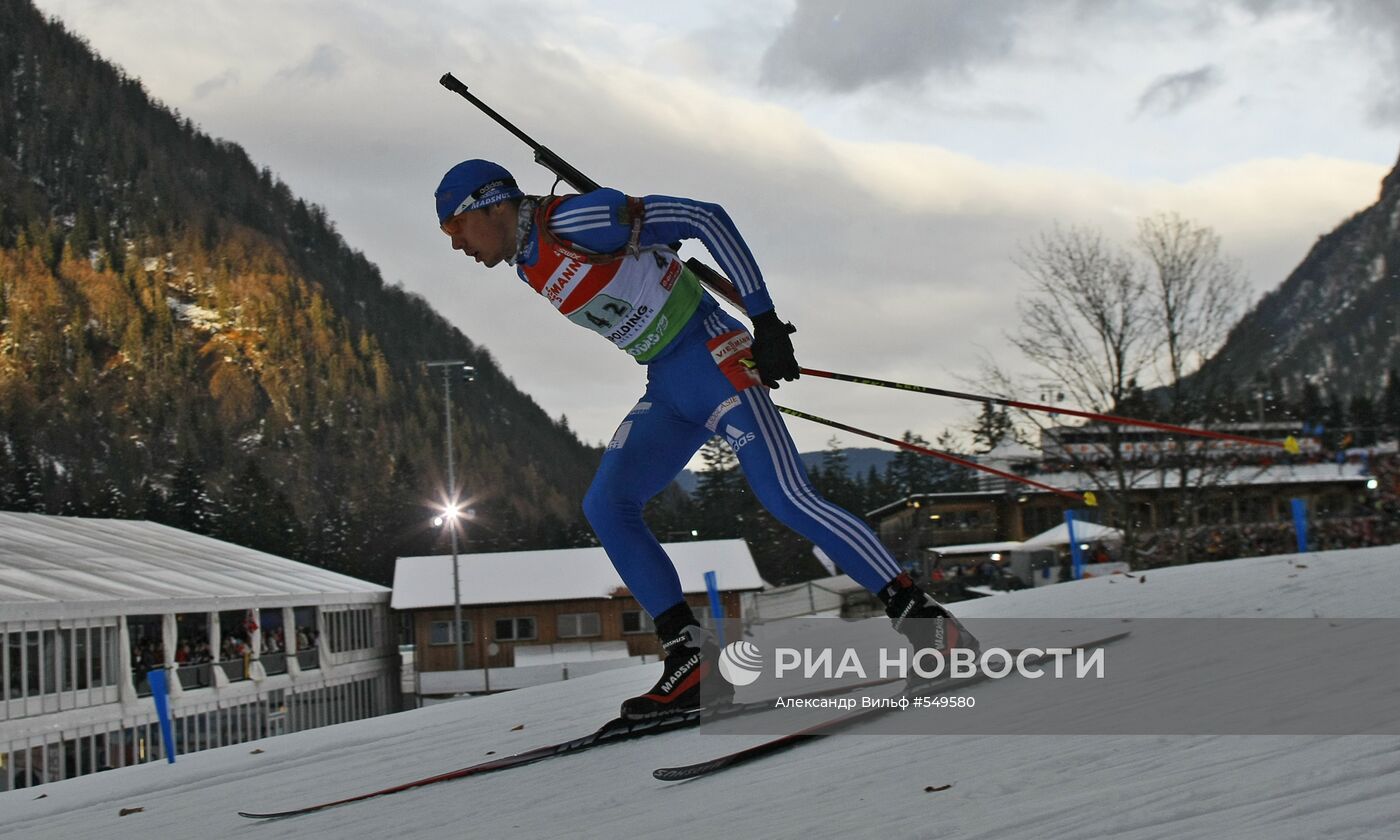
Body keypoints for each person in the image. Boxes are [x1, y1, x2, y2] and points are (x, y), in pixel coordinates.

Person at [435, 160, 975, 719]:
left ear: (493, 204)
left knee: (786, 496)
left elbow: (704, 217)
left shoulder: (577, 219)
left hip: (714, 358)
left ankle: (935, 631)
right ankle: (692, 661)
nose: (456, 245)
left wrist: (764, 321)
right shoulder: (528, 262)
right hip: (668, 384)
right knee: (607, 505)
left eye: (455, 228)